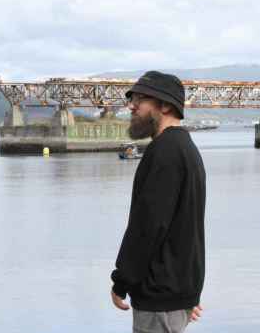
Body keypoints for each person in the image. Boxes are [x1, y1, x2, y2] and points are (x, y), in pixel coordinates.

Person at [110, 71, 206, 333]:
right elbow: (184, 228)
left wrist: (122, 281)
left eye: (140, 99)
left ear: (164, 105)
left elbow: (149, 226)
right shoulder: (185, 148)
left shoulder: (164, 152)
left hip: (160, 299)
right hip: (174, 294)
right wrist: (187, 292)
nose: (132, 106)